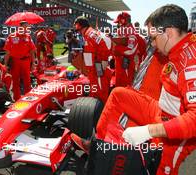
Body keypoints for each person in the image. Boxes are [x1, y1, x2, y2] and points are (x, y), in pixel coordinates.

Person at [73, 4, 196, 175]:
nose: (152, 44)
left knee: (156, 166)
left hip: (177, 132)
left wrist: (148, 130)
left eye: (153, 38)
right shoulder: (177, 50)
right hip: (162, 111)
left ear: (168, 32)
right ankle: (99, 146)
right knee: (118, 94)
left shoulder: (190, 61)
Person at [73, 16, 113, 103]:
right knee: (99, 91)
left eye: (79, 30)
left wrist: (86, 71)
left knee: (99, 94)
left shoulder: (89, 35)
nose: (79, 33)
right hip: (100, 66)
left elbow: (89, 58)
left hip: (98, 69)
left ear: (82, 27)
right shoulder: (93, 32)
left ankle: (100, 112)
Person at [4, 21, 37, 101]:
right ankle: (17, 99)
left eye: (28, 27)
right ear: (20, 27)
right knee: (15, 81)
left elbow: (32, 51)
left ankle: (28, 98)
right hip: (15, 61)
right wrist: (5, 64)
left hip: (26, 61)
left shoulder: (28, 37)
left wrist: (33, 63)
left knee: (27, 81)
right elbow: (7, 52)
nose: (27, 29)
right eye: (25, 27)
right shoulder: (12, 36)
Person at [113, 12, 147, 86]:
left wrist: (115, 48)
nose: (118, 24)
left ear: (123, 21)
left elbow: (130, 51)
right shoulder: (122, 31)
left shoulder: (132, 33)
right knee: (119, 85)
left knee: (126, 86)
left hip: (127, 66)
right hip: (120, 65)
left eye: (119, 22)